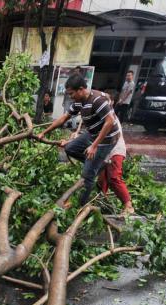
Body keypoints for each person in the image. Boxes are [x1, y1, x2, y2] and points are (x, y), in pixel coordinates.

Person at [37, 73, 120, 206]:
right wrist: (44, 132)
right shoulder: (79, 102)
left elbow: (109, 122)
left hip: (107, 138)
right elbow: (64, 118)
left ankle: (80, 205)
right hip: (92, 133)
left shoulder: (98, 100)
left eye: (72, 93)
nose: (70, 97)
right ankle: (98, 165)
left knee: (87, 175)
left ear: (81, 89)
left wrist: (94, 146)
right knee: (70, 147)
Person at [97, 95, 134, 215]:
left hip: (115, 149)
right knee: (102, 180)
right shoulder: (99, 114)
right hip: (105, 150)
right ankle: (103, 203)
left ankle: (128, 205)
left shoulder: (110, 115)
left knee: (113, 177)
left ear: (111, 103)